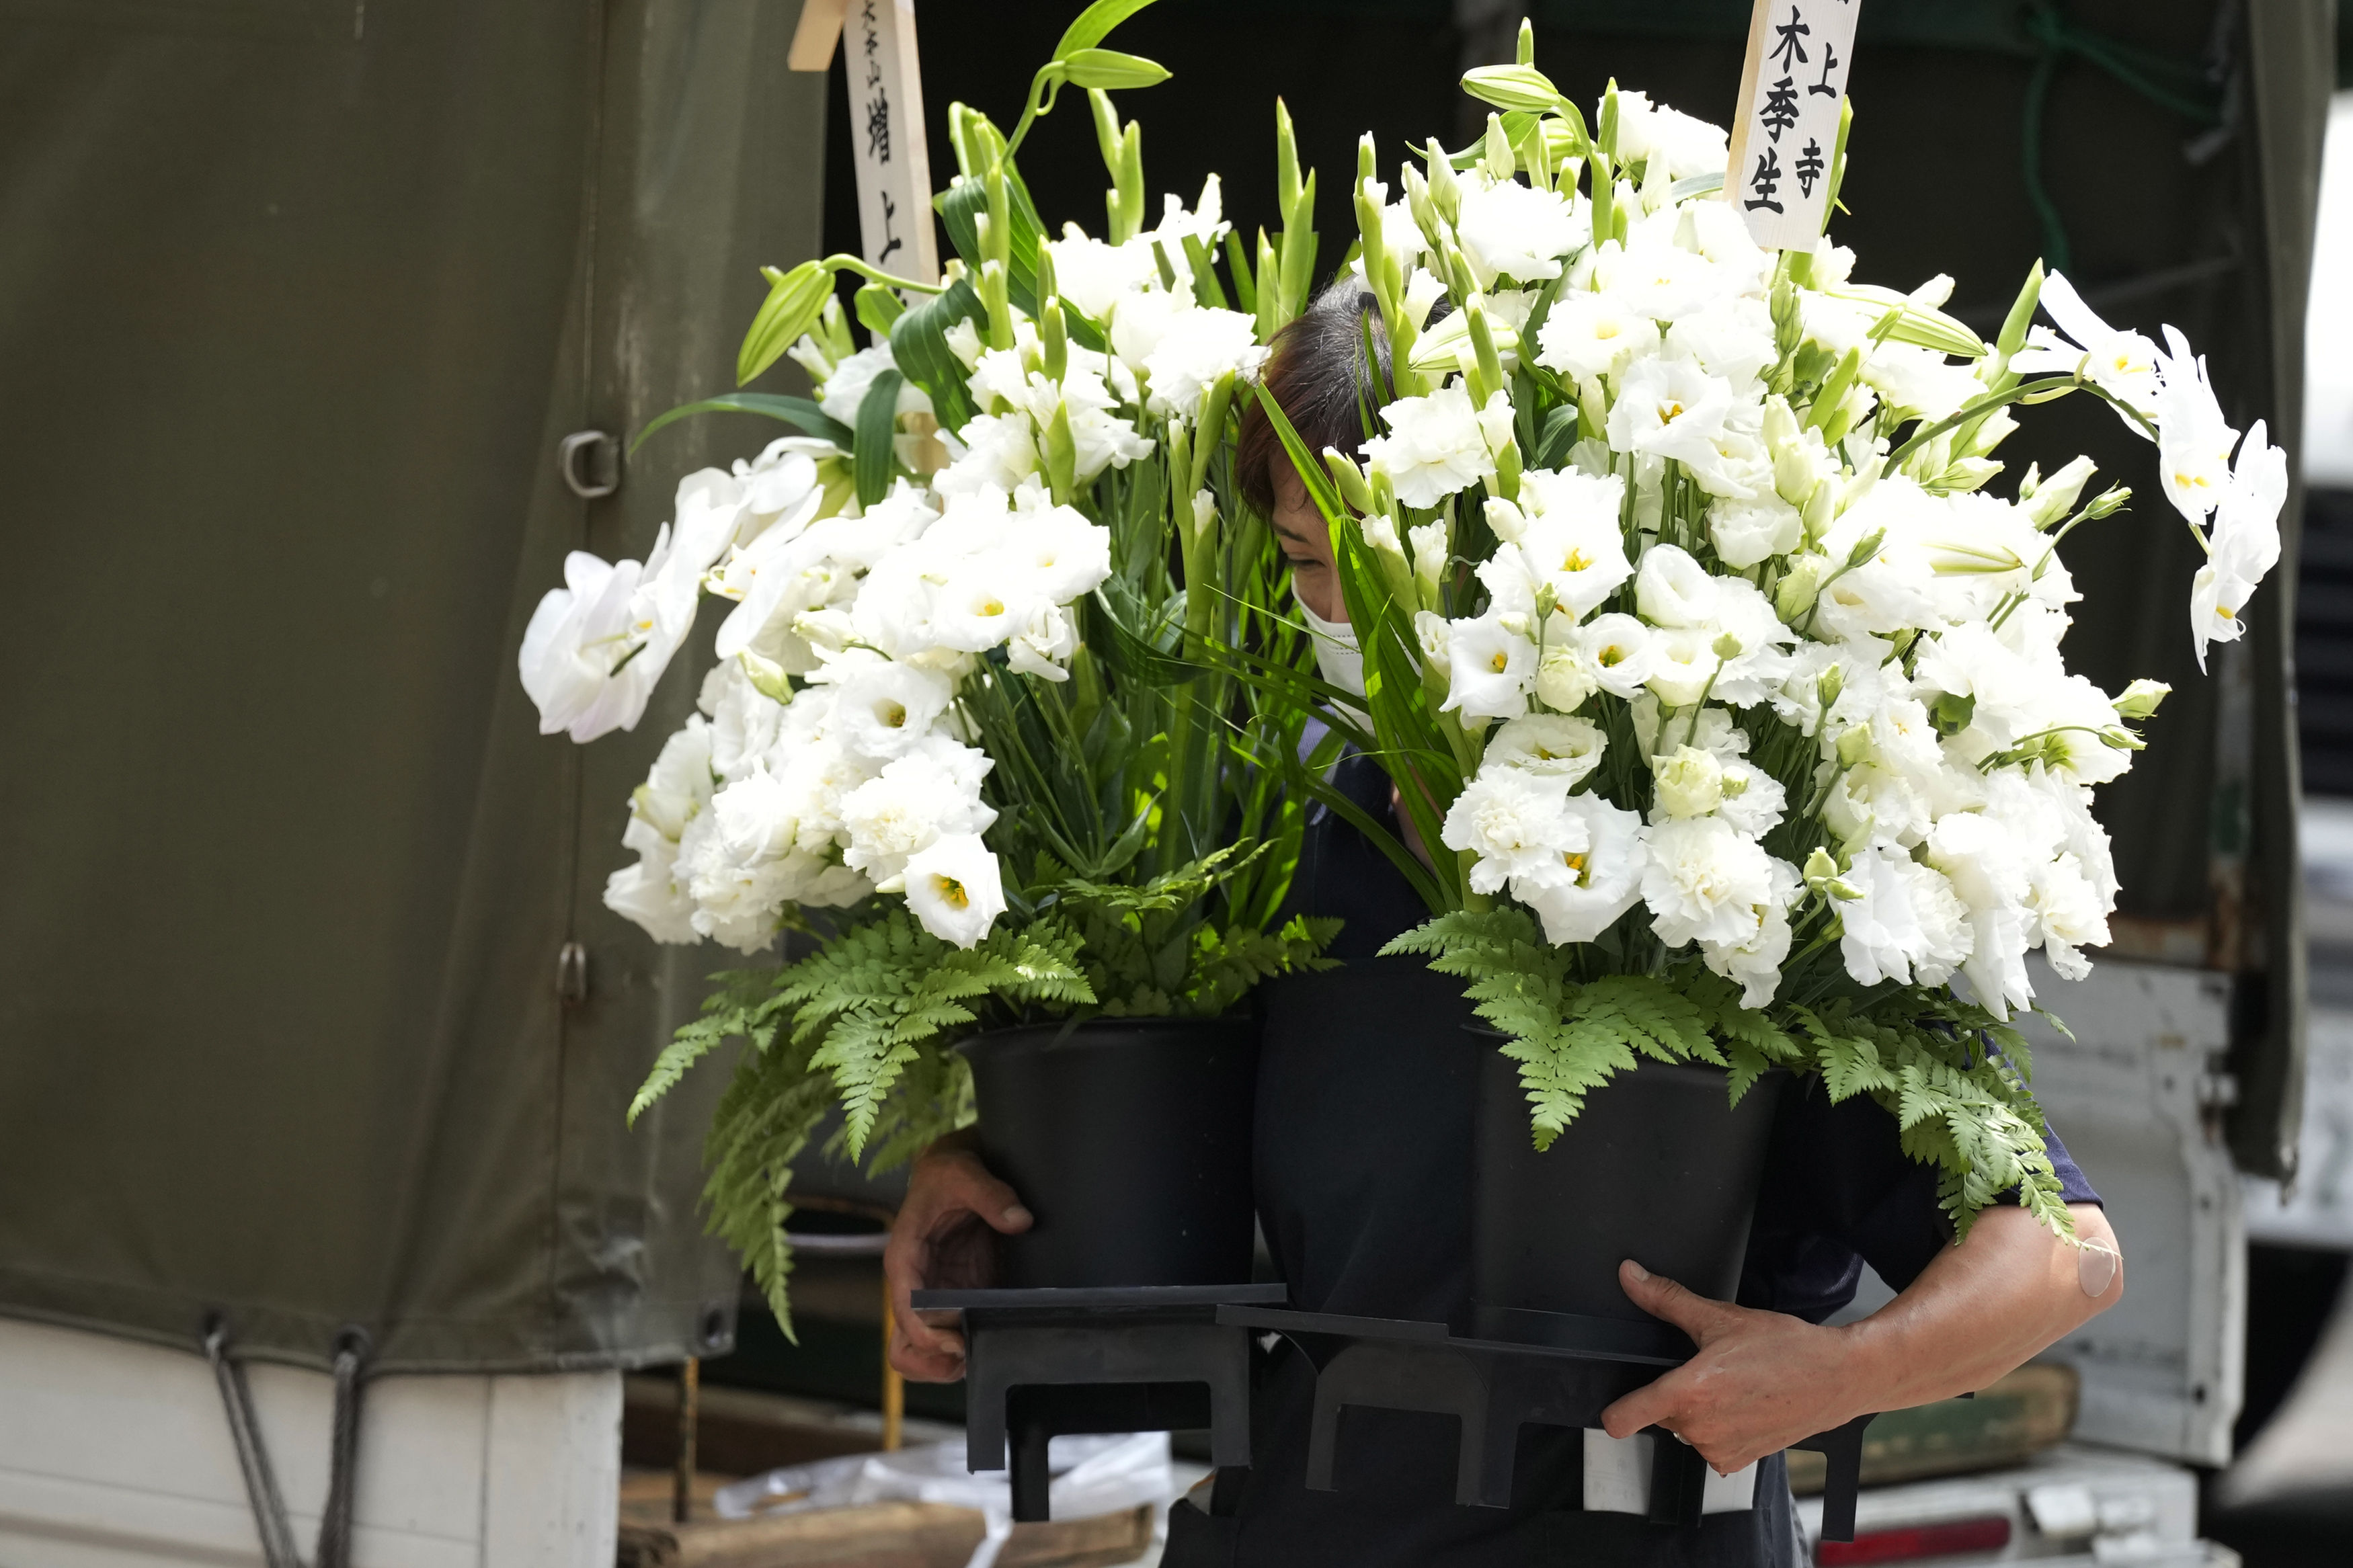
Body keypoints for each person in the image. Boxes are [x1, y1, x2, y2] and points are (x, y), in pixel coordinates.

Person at [883, 280, 2125, 1567]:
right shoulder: (1276, 842)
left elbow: (2060, 1253)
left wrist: (1839, 1373)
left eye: (1388, 552)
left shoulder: (1724, 872)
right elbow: (1152, 1173)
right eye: (1310, 564)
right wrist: (979, 1194)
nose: (1354, 613)